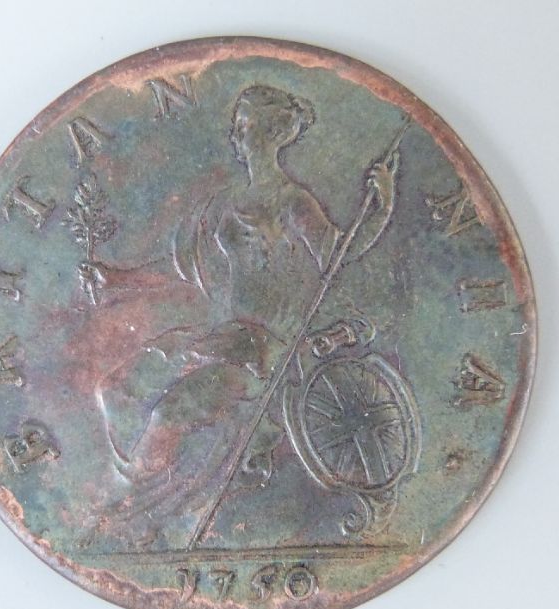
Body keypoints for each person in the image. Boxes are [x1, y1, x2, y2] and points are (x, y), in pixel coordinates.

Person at [79, 85, 398, 549]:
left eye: (244, 126)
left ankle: (134, 508)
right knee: (113, 387)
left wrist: (382, 209)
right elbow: (182, 269)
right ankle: (136, 493)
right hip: (224, 338)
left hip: (270, 349)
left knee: (169, 412)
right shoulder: (223, 204)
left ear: (272, 133)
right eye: (236, 126)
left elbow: (337, 254)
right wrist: (117, 279)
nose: (235, 135)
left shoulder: (291, 202)